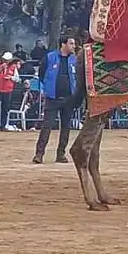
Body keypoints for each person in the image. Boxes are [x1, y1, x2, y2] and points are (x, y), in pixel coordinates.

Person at [33, 35, 78, 164]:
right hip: (52, 98)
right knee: (46, 126)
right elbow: (42, 74)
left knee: (66, 127)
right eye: (71, 43)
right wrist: (47, 87)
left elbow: (77, 77)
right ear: (63, 44)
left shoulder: (74, 60)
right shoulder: (50, 57)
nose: (73, 46)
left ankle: (61, 154)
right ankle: (39, 154)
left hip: (69, 98)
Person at [0, 52, 21, 130]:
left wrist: (11, 77)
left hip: (7, 90)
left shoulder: (13, 67)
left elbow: (17, 79)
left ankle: (3, 125)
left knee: (5, 108)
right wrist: (0, 69)